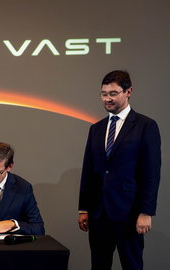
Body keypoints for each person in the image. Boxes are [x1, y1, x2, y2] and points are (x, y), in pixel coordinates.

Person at [78, 70, 161, 270]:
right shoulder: (96, 128)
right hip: (98, 212)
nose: (107, 99)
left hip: (129, 212)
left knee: (131, 265)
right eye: (104, 94)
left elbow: (151, 173)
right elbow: (88, 170)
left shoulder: (145, 126)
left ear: (128, 92)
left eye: (113, 93)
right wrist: (83, 208)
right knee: (99, 265)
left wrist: (146, 212)